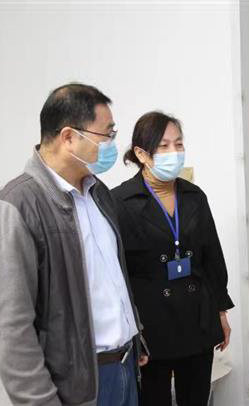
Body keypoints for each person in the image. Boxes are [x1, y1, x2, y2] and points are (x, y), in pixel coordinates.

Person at [0, 83, 148, 406]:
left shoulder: (99, 194)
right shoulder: (19, 205)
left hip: (124, 369)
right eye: (106, 134)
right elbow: (11, 329)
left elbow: (113, 280)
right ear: (69, 137)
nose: (112, 144)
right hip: (77, 388)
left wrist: (135, 336)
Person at [112, 111, 234, 406]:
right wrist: (129, 331)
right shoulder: (119, 201)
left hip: (197, 317)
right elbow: (116, 273)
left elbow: (212, 257)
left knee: (196, 397)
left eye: (178, 144)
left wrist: (220, 312)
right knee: (154, 399)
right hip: (151, 324)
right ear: (141, 153)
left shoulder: (194, 196)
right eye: (164, 146)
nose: (174, 152)